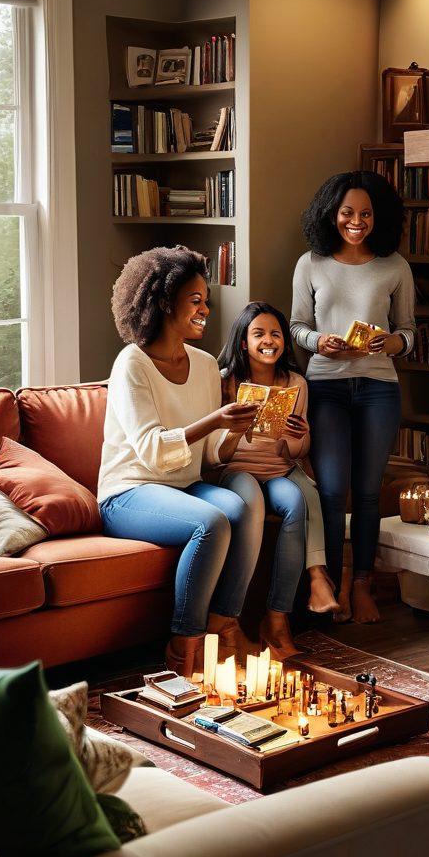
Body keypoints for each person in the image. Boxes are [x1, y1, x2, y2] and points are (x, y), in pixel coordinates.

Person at [98, 246, 264, 678]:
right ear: (165, 303)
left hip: (184, 485)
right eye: (196, 301)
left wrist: (239, 428)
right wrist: (215, 418)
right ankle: (183, 644)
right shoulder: (131, 363)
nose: (206, 309)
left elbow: (210, 456)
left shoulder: (207, 365)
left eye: (206, 301)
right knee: (210, 523)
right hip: (130, 492)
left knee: (243, 509)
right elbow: (152, 450)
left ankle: (224, 629)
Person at [290, 170, 416, 624]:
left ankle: (361, 584)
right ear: (332, 215)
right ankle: (331, 584)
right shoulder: (311, 264)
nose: (356, 221)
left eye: (365, 214)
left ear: (377, 218)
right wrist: (317, 343)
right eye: (348, 213)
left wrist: (392, 344)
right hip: (326, 386)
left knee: (366, 494)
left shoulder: (395, 266)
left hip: (379, 388)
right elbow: (296, 326)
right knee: (331, 489)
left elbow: (409, 332)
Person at [218, 300, 339, 659]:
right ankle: (233, 622)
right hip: (236, 471)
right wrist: (239, 428)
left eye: (275, 334)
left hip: (277, 471)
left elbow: (297, 451)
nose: (268, 340)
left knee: (297, 499)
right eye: (258, 334)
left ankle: (277, 619)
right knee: (250, 497)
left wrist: (296, 436)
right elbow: (217, 448)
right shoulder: (227, 381)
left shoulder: (296, 384)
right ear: (244, 342)